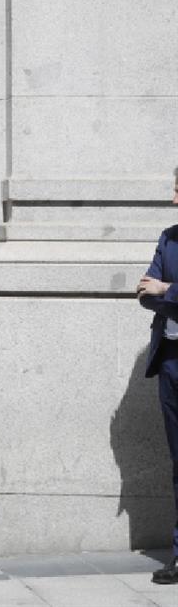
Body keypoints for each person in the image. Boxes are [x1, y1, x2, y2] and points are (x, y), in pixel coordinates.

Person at [137, 169, 178, 585]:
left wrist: (167, 290)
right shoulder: (169, 237)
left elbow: (160, 290)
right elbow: (145, 292)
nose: (173, 199)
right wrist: (165, 292)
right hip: (170, 361)